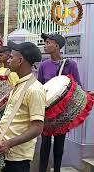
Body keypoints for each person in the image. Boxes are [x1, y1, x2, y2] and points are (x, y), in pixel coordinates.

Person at [0, 41, 46, 172]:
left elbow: (37, 128)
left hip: (18, 159)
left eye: (11, 57)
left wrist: (9, 143)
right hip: (6, 154)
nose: (8, 60)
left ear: (20, 60)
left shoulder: (35, 90)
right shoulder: (20, 84)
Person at [38, 33, 81, 172]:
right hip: (47, 111)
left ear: (57, 46)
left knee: (59, 145)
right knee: (44, 144)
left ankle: (57, 169)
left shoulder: (70, 65)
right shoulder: (44, 65)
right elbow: (39, 87)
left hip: (62, 112)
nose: (45, 45)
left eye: (48, 43)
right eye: (45, 43)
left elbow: (77, 86)